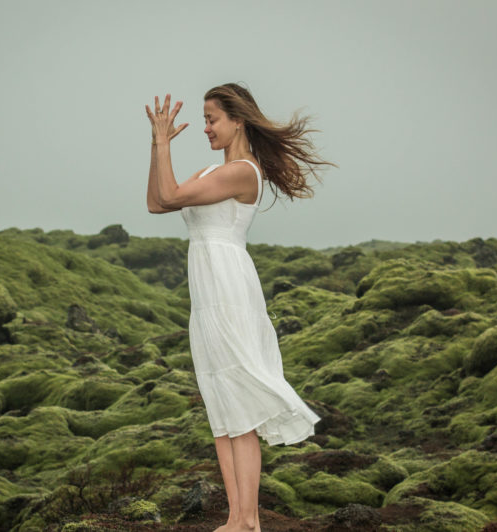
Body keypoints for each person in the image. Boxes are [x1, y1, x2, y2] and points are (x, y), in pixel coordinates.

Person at [145, 82, 336, 532]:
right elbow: (157, 203)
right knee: (220, 400)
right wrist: (158, 151)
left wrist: (160, 144)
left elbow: (171, 197)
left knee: (242, 403)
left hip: (228, 286)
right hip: (207, 289)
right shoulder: (214, 169)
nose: (206, 127)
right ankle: (236, 518)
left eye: (212, 118)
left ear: (238, 120)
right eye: (206, 118)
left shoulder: (243, 172)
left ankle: (248, 519)